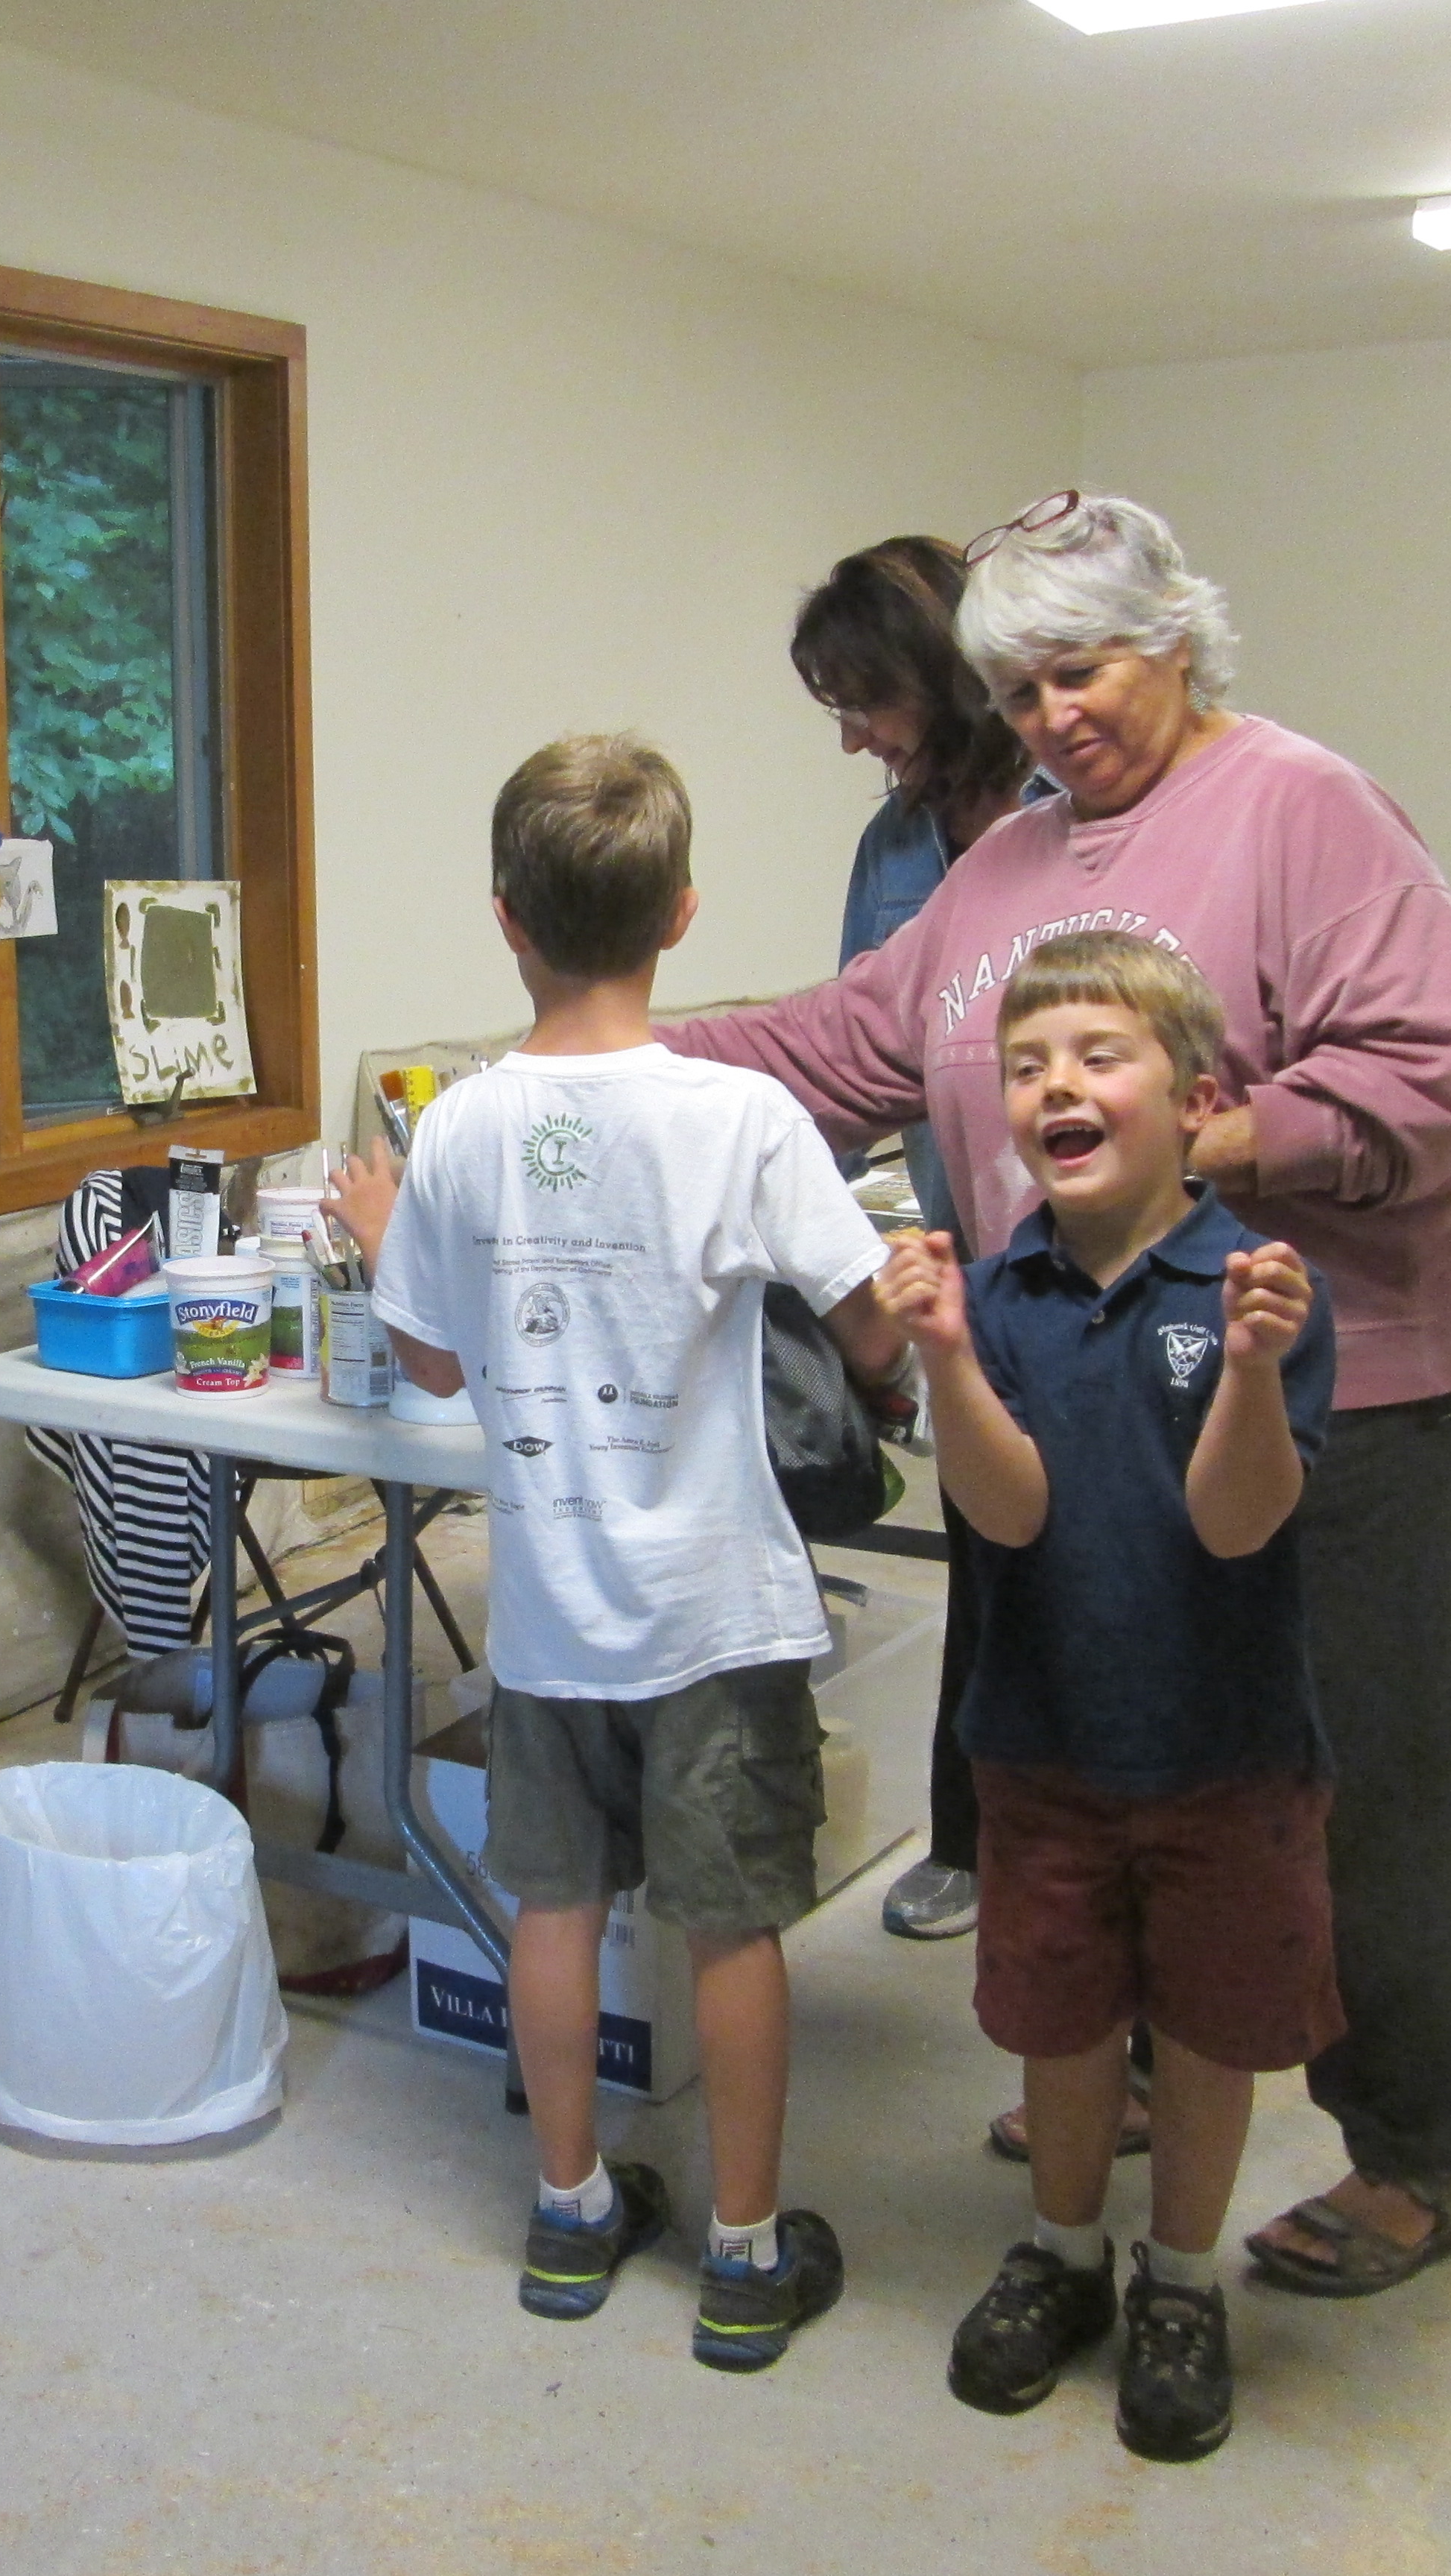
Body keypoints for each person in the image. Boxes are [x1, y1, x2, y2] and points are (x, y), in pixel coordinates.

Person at [669, 490, 1451, 2297]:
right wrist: (615, 1048)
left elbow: (1437, 1075)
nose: (1051, 718)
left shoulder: (1303, 808)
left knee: (1340, 1772)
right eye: (1018, 690)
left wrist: (1223, 1139)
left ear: (1176, 639)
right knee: (1115, 1746)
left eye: (1082, 673)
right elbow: (853, 1039)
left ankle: (1414, 2151)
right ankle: (1137, 2064)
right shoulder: (1005, 867)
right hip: (1084, 1390)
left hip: (1337, 1383)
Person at [326, 733, 903, 2373]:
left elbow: (432, 1365)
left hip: (550, 1616)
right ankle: (745, 2254)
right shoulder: (746, 1115)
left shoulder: (460, 1128)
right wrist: (892, 1329)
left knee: (557, 1906)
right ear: (685, 913)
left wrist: (381, 1239)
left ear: (506, 919)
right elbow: (871, 1333)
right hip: (718, 1610)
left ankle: (570, 2210)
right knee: (733, 1923)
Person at [875, 932, 1338, 2463]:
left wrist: (1254, 1369)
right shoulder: (997, 1294)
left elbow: (1236, 1524)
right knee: (1061, 2025)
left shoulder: (1263, 1291)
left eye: (1096, 1056)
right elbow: (1007, 1512)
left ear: (1198, 1099)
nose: (1054, 1087)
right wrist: (944, 1358)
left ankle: (1182, 2282)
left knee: (1209, 2031)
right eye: (1026, 1067)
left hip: (1228, 1752)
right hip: (1044, 1746)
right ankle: (1064, 2253)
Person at [788, 536, 1037, 1947]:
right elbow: (848, 1065)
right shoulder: (891, 850)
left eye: (865, 703)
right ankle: (967, 1839)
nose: (852, 740)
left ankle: (1082, 1855)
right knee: (982, 1554)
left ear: (945, 676)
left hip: (1114, 1262)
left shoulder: (1075, 813)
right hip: (963, 1256)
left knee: (1105, 1574)